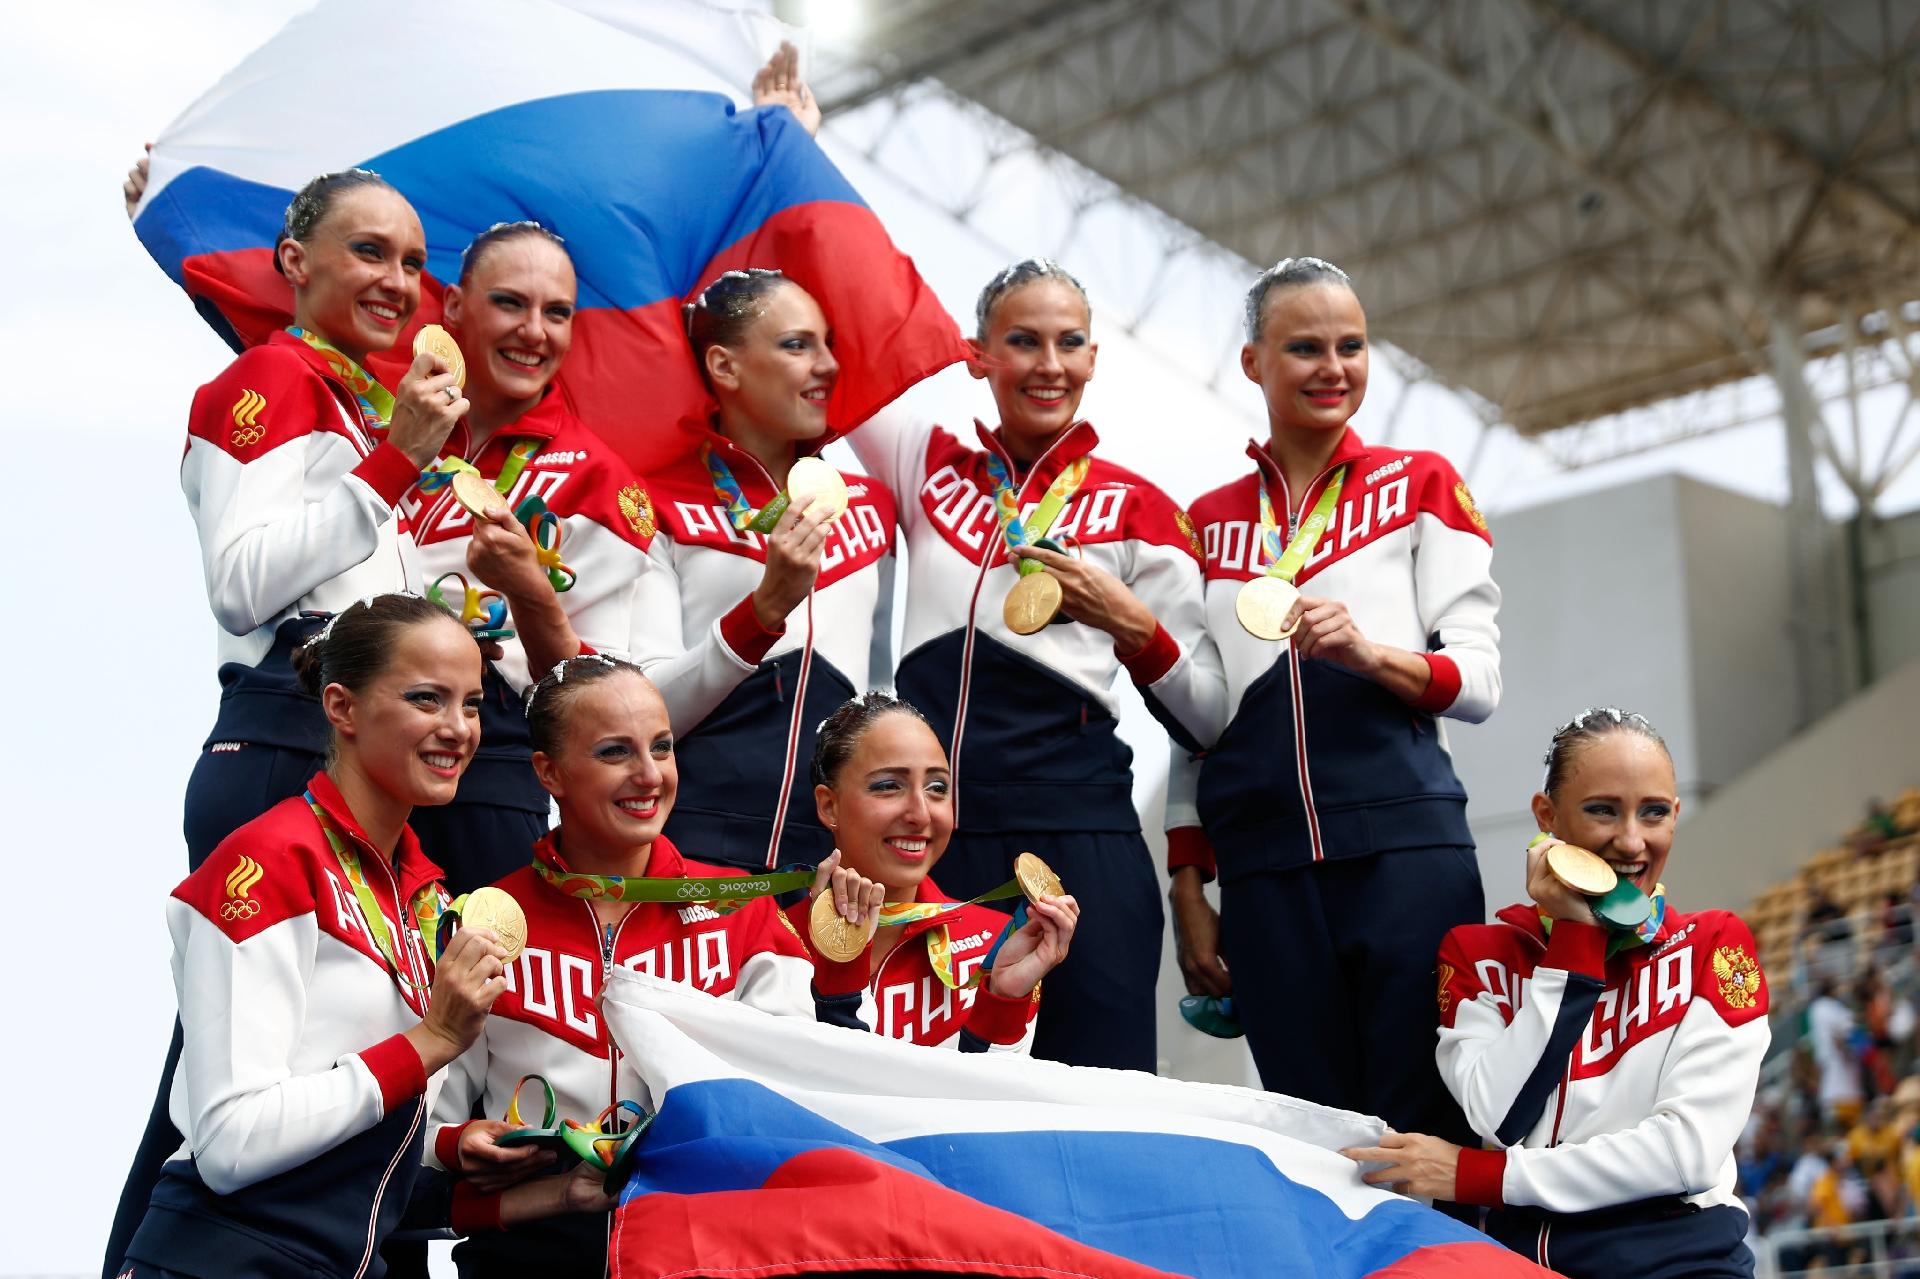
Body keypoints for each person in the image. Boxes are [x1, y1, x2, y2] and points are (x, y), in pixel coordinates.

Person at [106, 168, 467, 1278]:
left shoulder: (361, 397)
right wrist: (397, 459)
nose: (399, 280)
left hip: (353, 734)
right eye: (369, 251)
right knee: (225, 1079)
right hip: (284, 732)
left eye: (413, 261)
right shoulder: (271, 378)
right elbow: (244, 582)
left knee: (325, 1048)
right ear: (292, 262)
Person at [117, 595, 605, 1278]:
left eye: (470, 703)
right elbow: (232, 1141)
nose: (458, 728)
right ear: (341, 707)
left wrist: (465, 1152)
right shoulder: (268, 861)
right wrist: (430, 1040)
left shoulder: (423, 895)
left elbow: (360, 1143)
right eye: (426, 698)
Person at [848, 259, 1223, 1071]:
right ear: (978, 354)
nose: (1048, 364)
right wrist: (787, 142)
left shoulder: (1141, 507)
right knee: (946, 1088)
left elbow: (1209, 716)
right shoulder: (925, 462)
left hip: (1081, 829)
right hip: (938, 833)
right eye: (1022, 341)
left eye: (1069, 342)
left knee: (1102, 1093)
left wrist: (1128, 621)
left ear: (1093, 359)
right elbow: (844, 342)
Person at [1165, 256, 1496, 1144]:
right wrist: (1189, 881)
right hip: (1265, 870)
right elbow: (1196, 728)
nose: (1333, 367)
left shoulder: (1420, 483)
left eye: (1351, 346)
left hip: (1405, 850)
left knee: (1427, 1123)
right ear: (1253, 363)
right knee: (1315, 1130)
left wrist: (1372, 654)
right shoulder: (1204, 521)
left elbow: (1480, 681)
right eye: (1304, 347)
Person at [425, 655, 831, 1277]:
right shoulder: (483, 919)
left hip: (705, 1250)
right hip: (529, 1254)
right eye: (616, 752)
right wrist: (455, 1145)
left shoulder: (741, 910)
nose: (649, 775)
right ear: (549, 772)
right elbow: (427, 1128)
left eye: (662, 747)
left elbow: (795, 1091)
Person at [1344, 708, 1770, 1279]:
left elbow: (1684, 1154)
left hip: (1681, 1261)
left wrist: (1478, 1177)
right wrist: (1575, 938)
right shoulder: (1478, 954)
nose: (1631, 840)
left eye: (1655, 813)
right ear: (1548, 816)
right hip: (1519, 1264)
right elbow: (1501, 1116)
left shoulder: (1712, 945)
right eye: (1602, 810)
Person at [401, 220, 660, 893]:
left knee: (484, 983)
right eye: (510, 302)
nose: (534, 332)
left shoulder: (601, 483)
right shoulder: (389, 418)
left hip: (488, 760)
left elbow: (593, 701)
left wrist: (530, 591)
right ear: (455, 306)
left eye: (558, 313)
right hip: (351, 735)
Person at [633, 268, 897, 872]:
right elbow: (641, 710)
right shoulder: (653, 502)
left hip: (830, 873)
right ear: (725, 367)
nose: (828, 364)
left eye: (829, 344)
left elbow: (878, 700)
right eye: (798, 344)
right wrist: (763, 610)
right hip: (684, 857)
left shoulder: (874, 508)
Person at [802, 692, 1078, 1052]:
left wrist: (1001, 1000)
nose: (921, 814)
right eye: (888, 786)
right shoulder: (768, 932)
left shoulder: (995, 944)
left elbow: (983, 1104)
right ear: (829, 805)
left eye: (937, 788)